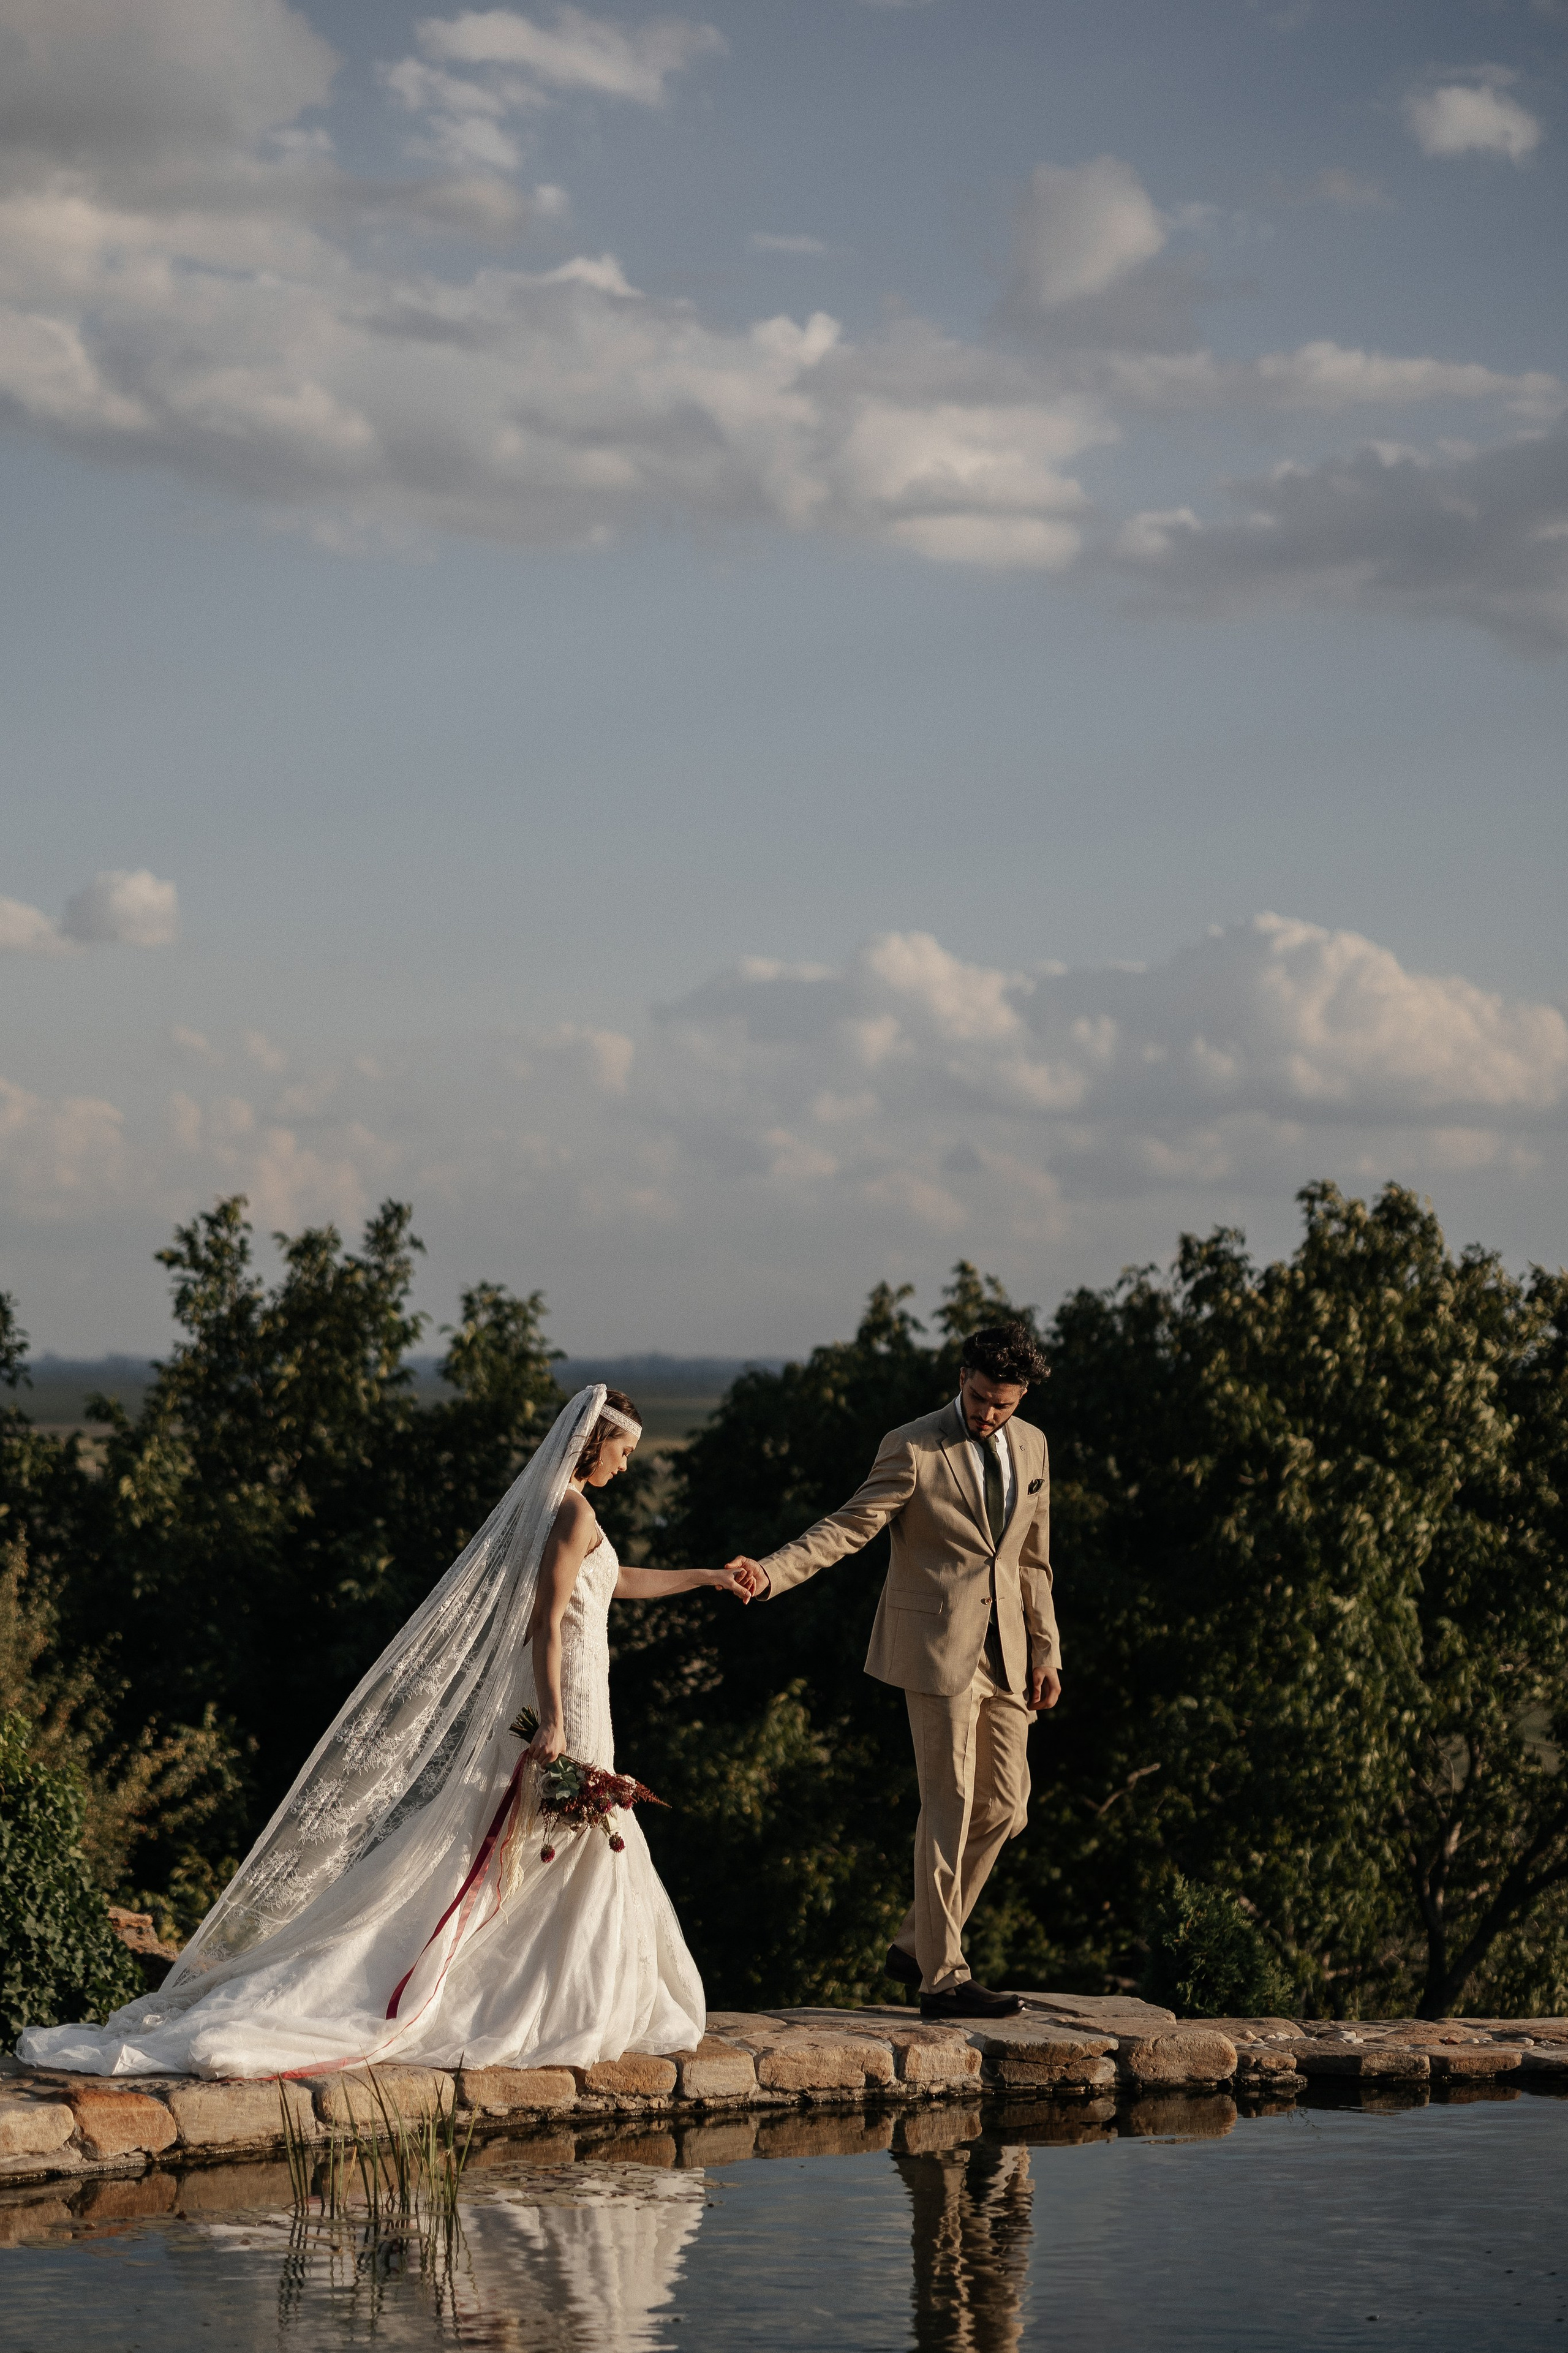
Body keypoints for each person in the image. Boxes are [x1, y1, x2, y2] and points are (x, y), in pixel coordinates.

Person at [20, 1386, 751, 2080]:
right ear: (594, 1445)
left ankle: (565, 1996)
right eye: (621, 1449)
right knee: (561, 1833)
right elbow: (545, 1621)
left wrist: (708, 1577)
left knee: (569, 1838)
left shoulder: (572, 1513)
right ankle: (531, 2001)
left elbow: (614, 1582)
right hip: (572, 1697)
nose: (627, 1462)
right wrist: (556, 1719)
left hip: (590, 1691)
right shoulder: (569, 1514)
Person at [727, 1324, 1060, 2019]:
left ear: (1022, 1395)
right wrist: (772, 1572)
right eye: (978, 1397)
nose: (987, 1414)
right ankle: (941, 1978)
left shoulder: (1032, 1446)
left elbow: (1032, 1560)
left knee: (1007, 1807)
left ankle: (915, 1941)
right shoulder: (911, 1445)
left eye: (1002, 1404)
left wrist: (1046, 1648)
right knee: (950, 1806)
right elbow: (848, 1526)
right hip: (936, 1652)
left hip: (1008, 1656)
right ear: (960, 1374)